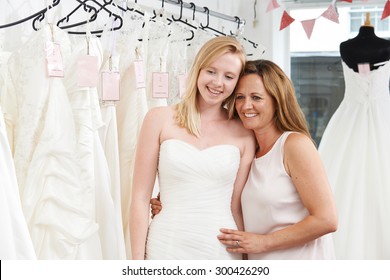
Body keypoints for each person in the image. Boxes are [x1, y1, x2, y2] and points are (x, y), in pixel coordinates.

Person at [151, 59, 338, 260]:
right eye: (240, 97)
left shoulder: (294, 144)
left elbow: (326, 219)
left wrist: (262, 242)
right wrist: (174, 200)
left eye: (256, 97)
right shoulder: (246, 151)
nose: (246, 105)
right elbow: (228, 200)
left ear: (278, 99)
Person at [129, 36, 256, 260]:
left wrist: (247, 260)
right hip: (166, 243)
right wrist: (137, 265)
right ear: (198, 69)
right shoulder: (159, 119)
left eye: (229, 77)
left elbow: (236, 205)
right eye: (211, 71)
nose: (218, 83)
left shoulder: (244, 133)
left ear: (237, 83)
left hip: (221, 248)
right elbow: (140, 198)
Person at [318, 14, 390, 259]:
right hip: (349, 118)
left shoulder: (386, 46)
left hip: (382, 118)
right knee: (345, 180)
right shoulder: (345, 47)